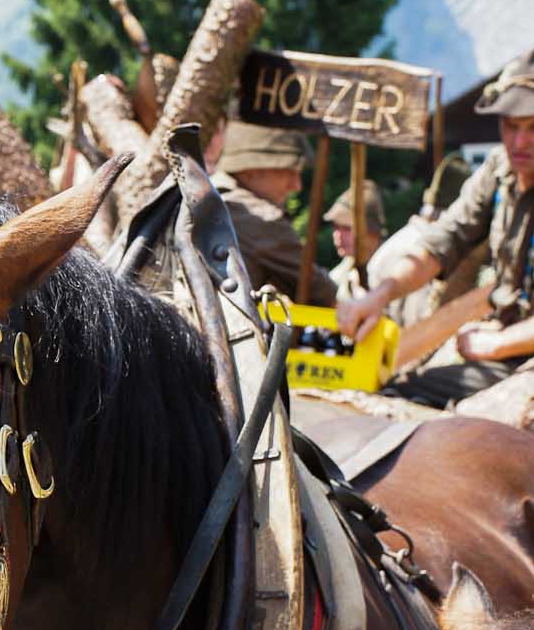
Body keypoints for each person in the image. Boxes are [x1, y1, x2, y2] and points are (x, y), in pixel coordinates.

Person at [337, 49, 534, 408]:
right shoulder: (499, 169)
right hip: (499, 343)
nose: (519, 142)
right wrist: (380, 294)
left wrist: (497, 344)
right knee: (396, 394)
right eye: (511, 126)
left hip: (515, 350)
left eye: (533, 127)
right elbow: (443, 241)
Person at [208, 120, 337, 304]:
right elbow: (323, 294)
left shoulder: (205, 196)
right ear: (251, 169)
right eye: (288, 171)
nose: (296, 186)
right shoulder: (261, 219)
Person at [323, 180, 387, 291]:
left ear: (372, 231)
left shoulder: (391, 268)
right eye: (336, 227)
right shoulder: (340, 273)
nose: (338, 235)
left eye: (347, 228)